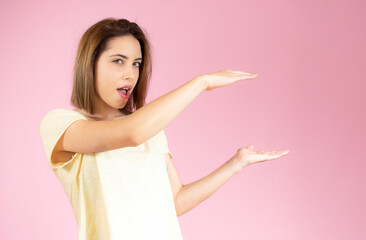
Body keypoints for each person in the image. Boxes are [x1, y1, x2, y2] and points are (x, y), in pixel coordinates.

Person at [39, 17, 290, 240]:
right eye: (118, 61)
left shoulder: (152, 130)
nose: (130, 74)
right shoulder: (61, 124)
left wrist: (237, 163)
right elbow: (132, 133)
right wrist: (201, 82)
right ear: (90, 64)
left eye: (136, 64)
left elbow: (175, 202)